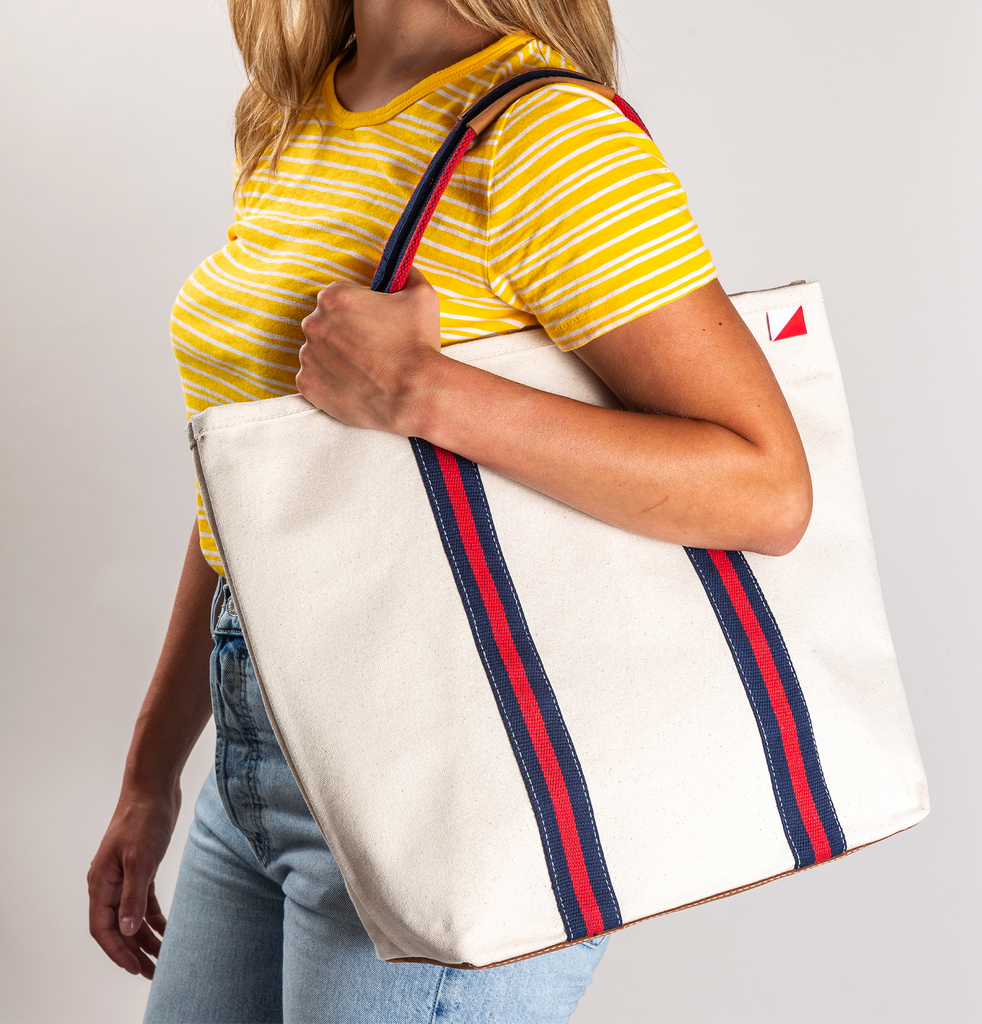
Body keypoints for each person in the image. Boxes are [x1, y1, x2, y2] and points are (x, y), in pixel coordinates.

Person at [87, 0, 812, 1020]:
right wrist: (151, 773)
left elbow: (767, 489)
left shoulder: (548, 136)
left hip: (455, 780)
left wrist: (429, 394)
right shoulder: (294, 112)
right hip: (259, 758)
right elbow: (249, 494)